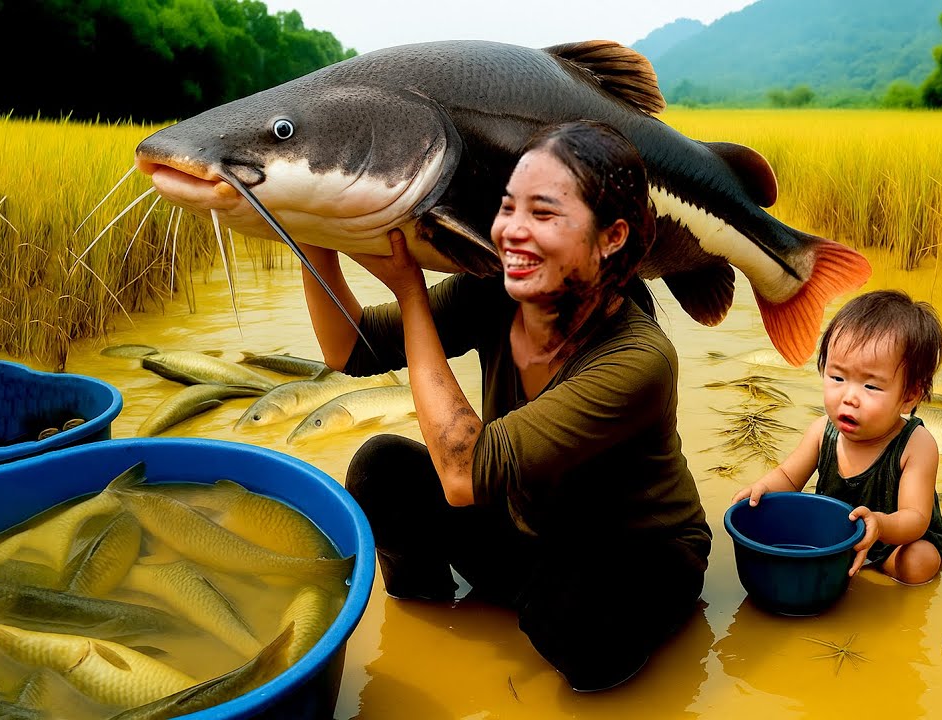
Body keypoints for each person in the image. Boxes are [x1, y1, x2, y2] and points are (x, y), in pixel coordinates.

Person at [296, 120, 711, 692]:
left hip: (633, 549)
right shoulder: (495, 293)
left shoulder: (639, 360)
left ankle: (539, 607)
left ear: (611, 238)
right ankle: (435, 616)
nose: (512, 231)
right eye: (509, 207)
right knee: (381, 470)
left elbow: (462, 472)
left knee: (567, 618)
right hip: (529, 522)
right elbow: (348, 347)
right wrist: (309, 238)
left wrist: (411, 294)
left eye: (544, 214)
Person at [731, 289, 942, 585]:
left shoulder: (916, 444)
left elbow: (915, 518)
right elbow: (788, 477)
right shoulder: (822, 431)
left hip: (893, 540)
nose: (849, 397)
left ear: (909, 396)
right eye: (837, 378)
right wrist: (761, 489)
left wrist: (879, 524)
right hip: (836, 537)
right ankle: (842, 562)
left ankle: (877, 570)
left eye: (871, 386)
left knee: (919, 562)